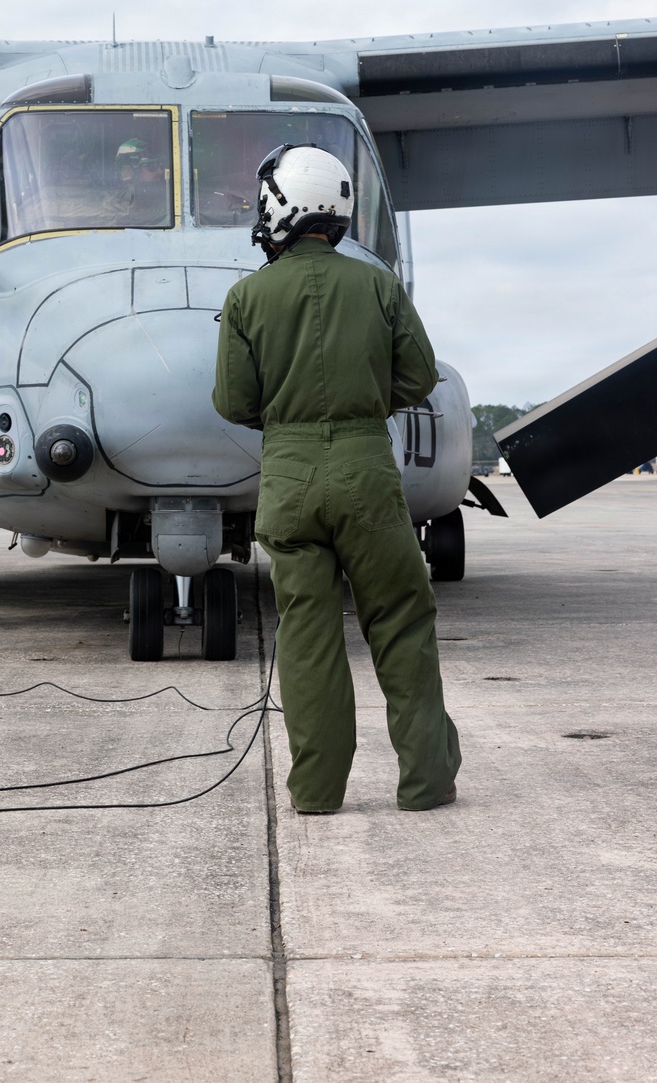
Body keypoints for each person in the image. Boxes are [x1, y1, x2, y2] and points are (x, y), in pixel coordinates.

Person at [212, 144, 461, 814]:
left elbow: (234, 401)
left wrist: (291, 411)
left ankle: (317, 790)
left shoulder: (245, 297)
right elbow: (418, 374)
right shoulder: (378, 283)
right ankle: (426, 780)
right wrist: (359, 401)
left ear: (283, 206)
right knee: (401, 618)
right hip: (365, 471)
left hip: (289, 479)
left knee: (306, 632)